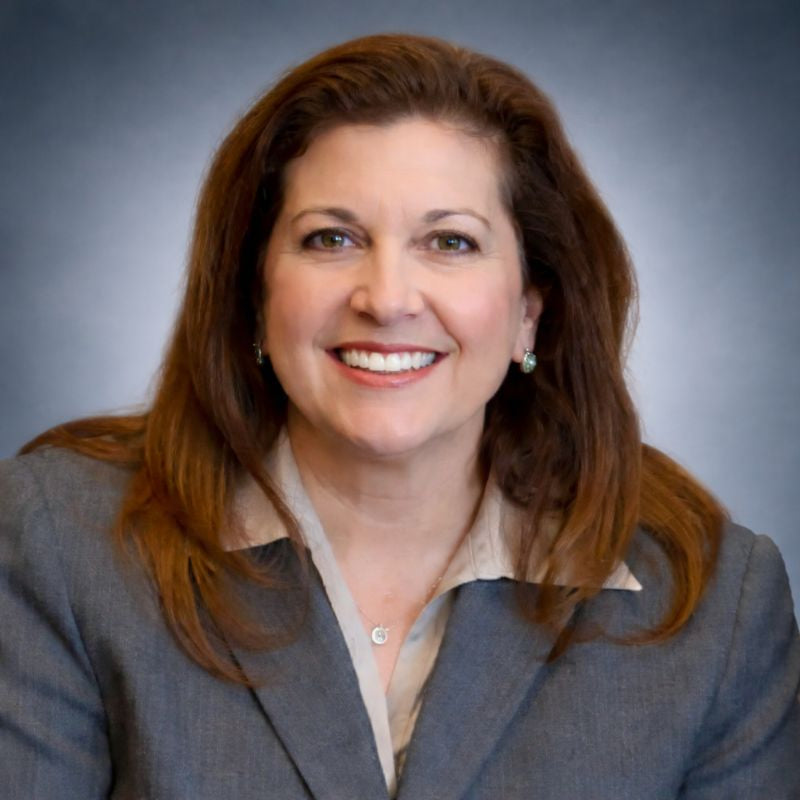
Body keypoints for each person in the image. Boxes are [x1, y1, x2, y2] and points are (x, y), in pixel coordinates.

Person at [0, 33, 798, 799]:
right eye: (332, 238)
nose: (385, 299)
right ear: (253, 294)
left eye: (449, 243)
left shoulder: (711, 609)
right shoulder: (62, 547)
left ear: (529, 310)